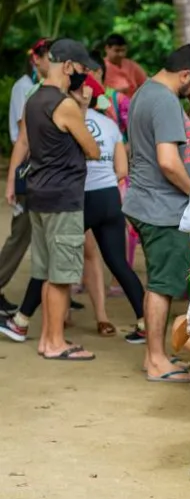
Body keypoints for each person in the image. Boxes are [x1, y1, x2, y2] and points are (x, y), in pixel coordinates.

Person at [122, 43, 190, 382]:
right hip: (161, 207)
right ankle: (157, 360)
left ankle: (155, 357)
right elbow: (168, 161)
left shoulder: (149, 92)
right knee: (161, 285)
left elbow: (179, 141)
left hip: (148, 202)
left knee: (159, 281)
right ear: (185, 75)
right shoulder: (164, 100)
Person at [24, 39, 100, 360]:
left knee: (45, 270)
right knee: (62, 276)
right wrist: (82, 107)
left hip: (39, 193)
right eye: (80, 71)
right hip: (63, 197)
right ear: (67, 66)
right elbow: (92, 149)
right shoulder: (63, 104)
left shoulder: (33, 99)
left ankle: (46, 339)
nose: (80, 79)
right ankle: (56, 342)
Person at [78, 75, 146, 339]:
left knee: (56, 260)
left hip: (81, 198)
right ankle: (143, 320)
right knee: (119, 263)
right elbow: (121, 169)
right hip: (109, 199)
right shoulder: (110, 125)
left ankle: (25, 316)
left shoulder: (72, 120)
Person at [0, 38, 51, 317]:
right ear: (37, 59)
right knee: (21, 234)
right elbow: (24, 134)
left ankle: (53, 294)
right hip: (29, 169)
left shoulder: (37, 88)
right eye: (49, 57)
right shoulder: (25, 88)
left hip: (36, 168)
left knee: (35, 234)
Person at [103, 33, 147, 98]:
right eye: (117, 50)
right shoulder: (100, 67)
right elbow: (96, 94)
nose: (121, 54)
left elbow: (146, 84)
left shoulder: (131, 65)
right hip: (109, 104)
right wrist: (115, 92)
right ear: (107, 48)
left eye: (123, 50)